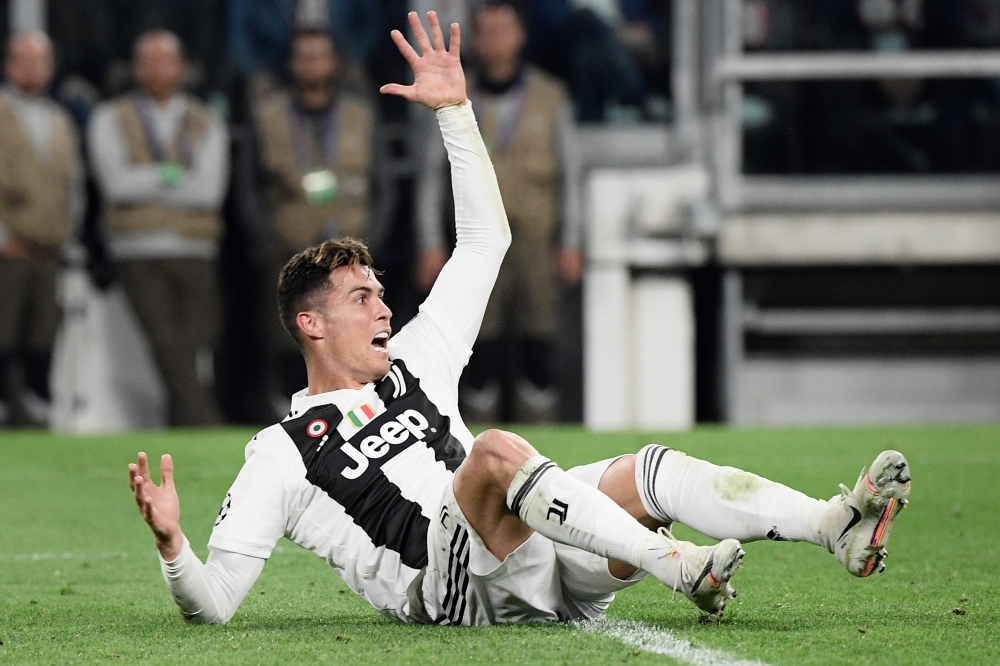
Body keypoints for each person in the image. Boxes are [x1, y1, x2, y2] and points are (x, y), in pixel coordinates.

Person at [128, 13, 912, 627]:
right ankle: (675, 564)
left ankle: (832, 524)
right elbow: (214, 601)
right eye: (362, 298)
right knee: (495, 451)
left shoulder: (417, 358)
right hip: (447, 587)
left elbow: (486, 241)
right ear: (311, 324)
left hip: (532, 545)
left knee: (650, 470)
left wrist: (456, 113)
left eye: (380, 291)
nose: (385, 306)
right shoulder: (284, 450)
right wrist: (171, 546)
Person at [417, 0, 584, 423]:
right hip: (472, 245)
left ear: (521, 35)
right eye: (486, 31)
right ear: (475, 38)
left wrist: (571, 240)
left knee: (539, 343)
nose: (495, 40)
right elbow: (431, 177)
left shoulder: (551, 97)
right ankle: (477, 439)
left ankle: (539, 436)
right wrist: (430, 242)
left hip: (537, 242)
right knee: (478, 345)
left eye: (504, 30)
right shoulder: (455, 96)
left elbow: (572, 177)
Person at [89, 31, 229, 426]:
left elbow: (208, 191)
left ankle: (182, 420)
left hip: (196, 247)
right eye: (147, 61)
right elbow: (116, 184)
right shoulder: (109, 117)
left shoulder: (207, 119)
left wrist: (144, 178)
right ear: (134, 69)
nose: (155, 70)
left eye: (164, 60)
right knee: (166, 340)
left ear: (182, 67)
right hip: (136, 247)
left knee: (198, 341)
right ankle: (203, 420)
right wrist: (172, 174)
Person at [254, 28, 376, 411]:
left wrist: (374, 240)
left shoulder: (360, 114)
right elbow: (248, 186)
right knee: (289, 340)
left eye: (320, 55)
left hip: (352, 253)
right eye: (304, 56)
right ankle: (292, 417)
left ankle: (360, 419)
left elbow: (383, 185)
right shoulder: (267, 115)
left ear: (335, 62)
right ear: (291, 64)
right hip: (288, 248)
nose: (312, 64)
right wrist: (264, 239)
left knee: (358, 336)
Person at [0, 32, 85, 426]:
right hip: (9, 248)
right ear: (8, 65)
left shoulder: (59, 119)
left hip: (50, 248)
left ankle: (38, 411)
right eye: (23, 60)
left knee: (42, 335)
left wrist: (69, 234)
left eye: (40, 60)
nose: (32, 69)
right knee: (3, 332)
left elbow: (73, 185)